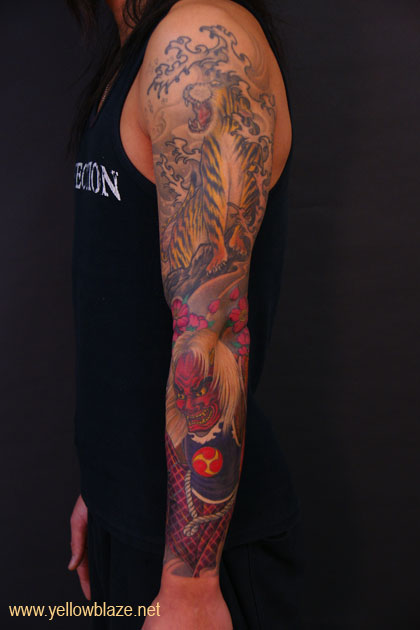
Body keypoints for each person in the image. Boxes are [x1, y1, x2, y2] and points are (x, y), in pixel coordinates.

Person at [67, 0, 304, 627]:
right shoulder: (135, 53)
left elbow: (213, 332)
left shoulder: (201, 38)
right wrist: (107, 483)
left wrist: (191, 585)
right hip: (138, 521)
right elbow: (122, 297)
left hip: (198, 564)